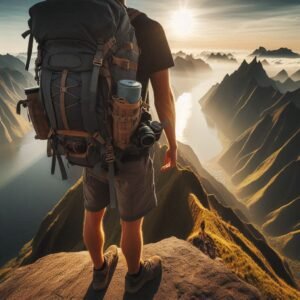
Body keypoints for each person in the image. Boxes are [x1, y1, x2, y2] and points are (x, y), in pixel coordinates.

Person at [82, 0, 177, 294]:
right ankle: (135, 277)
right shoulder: (148, 28)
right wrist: (172, 143)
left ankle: (99, 271)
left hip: (89, 143)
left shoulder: (83, 23)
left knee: (92, 213)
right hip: (131, 144)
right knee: (131, 223)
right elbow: (164, 96)